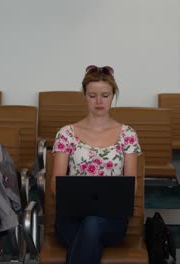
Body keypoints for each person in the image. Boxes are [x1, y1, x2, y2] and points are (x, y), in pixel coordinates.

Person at [51, 65, 142, 264]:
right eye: (92, 95)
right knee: (89, 236)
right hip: (71, 218)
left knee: (91, 226)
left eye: (105, 95)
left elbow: (131, 185)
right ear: (84, 96)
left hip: (111, 221)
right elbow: (56, 185)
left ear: (113, 96)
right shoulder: (66, 133)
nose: (99, 101)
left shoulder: (128, 135)